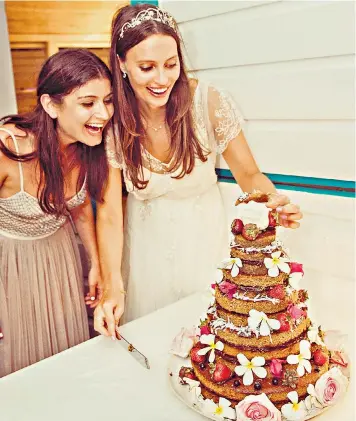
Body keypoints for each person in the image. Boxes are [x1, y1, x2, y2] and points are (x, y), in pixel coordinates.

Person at [93, 4, 303, 338]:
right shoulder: (112, 118)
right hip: (144, 262)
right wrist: (112, 284)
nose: (162, 79)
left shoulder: (208, 102)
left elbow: (248, 174)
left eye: (171, 64)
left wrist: (272, 202)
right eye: (147, 67)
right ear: (121, 64)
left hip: (206, 249)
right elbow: (108, 213)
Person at [0, 49, 113, 376]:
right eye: (88, 103)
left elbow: (78, 206)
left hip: (59, 258)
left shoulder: (87, 147)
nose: (103, 113)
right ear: (51, 105)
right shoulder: (10, 147)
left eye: (107, 100)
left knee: (65, 360)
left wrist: (94, 262)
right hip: (12, 267)